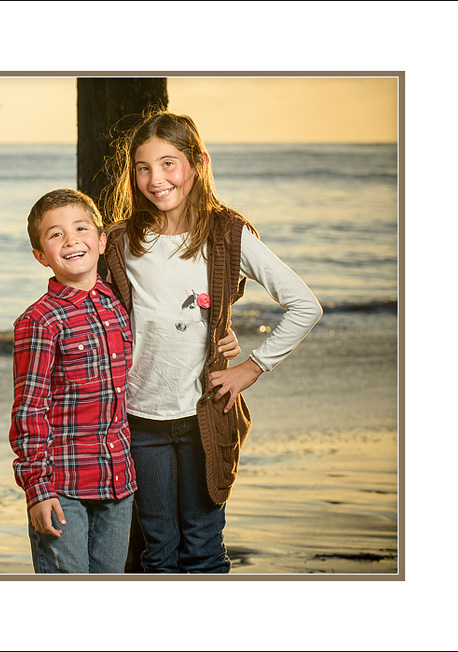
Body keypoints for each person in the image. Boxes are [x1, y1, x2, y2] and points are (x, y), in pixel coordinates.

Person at [103, 111, 323, 573]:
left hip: (206, 415)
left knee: (203, 546)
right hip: (140, 420)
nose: (155, 179)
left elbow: (304, 304)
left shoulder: (227, 233)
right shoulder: (122, 241)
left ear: (197, 162)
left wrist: (250, 368)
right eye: (143, 167)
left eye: (168, 163)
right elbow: (95, 311)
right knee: (157, 551)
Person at [9, 188, 241, 574]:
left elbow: (167, 334)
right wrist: (37, 488)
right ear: (39, 255)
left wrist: (222, 341)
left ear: (102, 241)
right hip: (63, 485)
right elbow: (29, 410)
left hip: (118, 481)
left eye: (81, 228)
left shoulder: (118, 305)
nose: (71, 240)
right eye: (55, 235)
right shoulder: (39, 321)